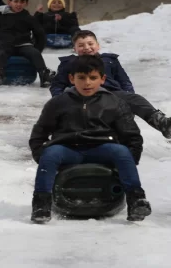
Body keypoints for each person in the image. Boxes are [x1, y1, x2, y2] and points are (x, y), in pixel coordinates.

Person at [29, 55, 152, 223]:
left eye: (93, 78)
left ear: (102, 79)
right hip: (67, 148)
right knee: (51, 154)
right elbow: (40, 132)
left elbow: (131, 134)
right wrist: (40, 154)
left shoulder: (114, 102)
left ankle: (136, 199)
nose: (87, 83)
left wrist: (130, 161)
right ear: (72, 79)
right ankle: (41, 203)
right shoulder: (58, 103)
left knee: (121, 151)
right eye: (81, 77)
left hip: (102, 147)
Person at [50, 30, 171, 139]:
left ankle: (163, 124)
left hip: (111, 95)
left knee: (136, 99)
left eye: (90, 44)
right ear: (74, 49)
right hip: (81, 96)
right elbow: (57, 85)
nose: (86, 48)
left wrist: (128, 101)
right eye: (81, 45)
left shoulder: (109, 61)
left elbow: (124, 82)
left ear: (98, 45)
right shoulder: (69, 63)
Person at [0, 0, 56, 87]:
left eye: (22, 2)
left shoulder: (28, 18)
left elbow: (40, 34)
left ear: (26, 3)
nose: (19, 4)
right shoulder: (0, 16)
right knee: (2, 53)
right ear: (9, 2)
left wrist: (37, 48)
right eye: (16, 1)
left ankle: (44, 75)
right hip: (5, 44)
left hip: (24, 44)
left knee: (34, 53)